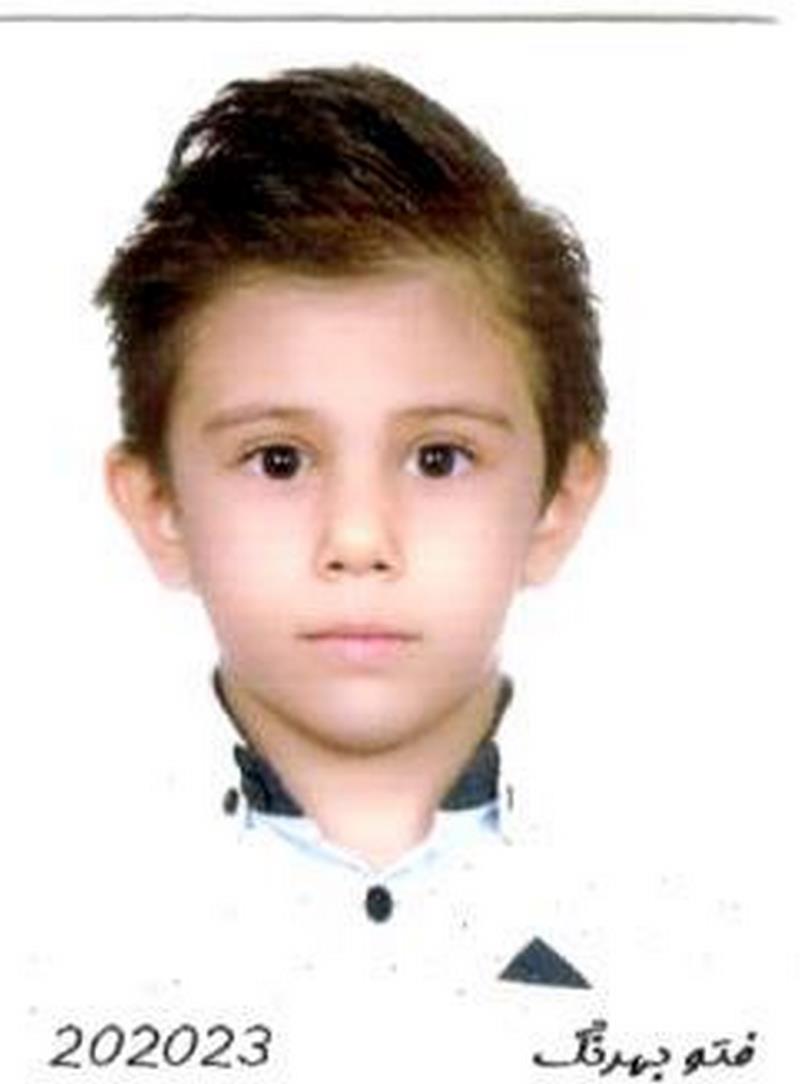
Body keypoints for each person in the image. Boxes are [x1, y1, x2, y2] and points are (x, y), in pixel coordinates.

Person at [96, 63, 607, 1014]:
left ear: (557, 504)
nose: (360, 539)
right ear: (159, 507)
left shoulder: (722, 931)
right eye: (279, 460)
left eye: (440, 458)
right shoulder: (52, 938)